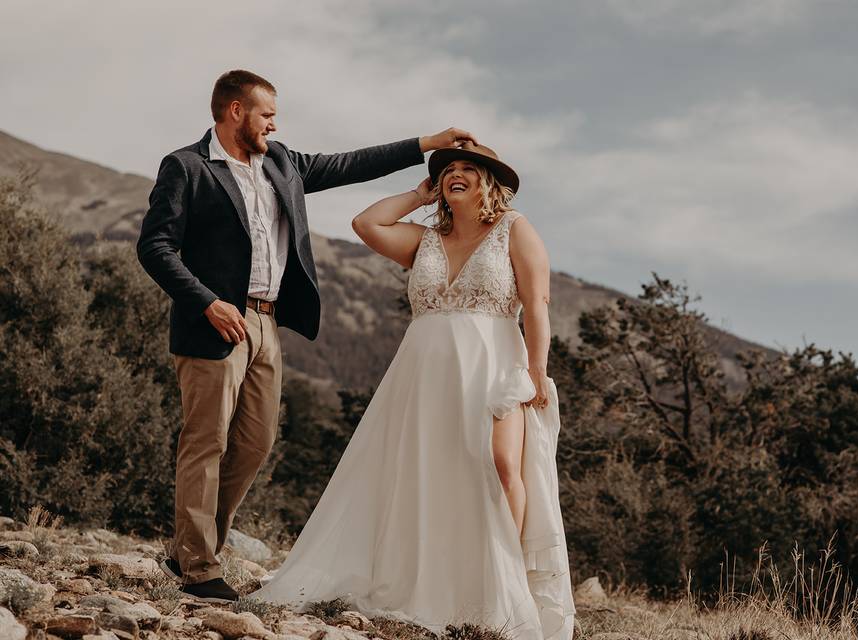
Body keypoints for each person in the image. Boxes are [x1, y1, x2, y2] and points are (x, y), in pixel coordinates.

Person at [136, 68, 477, 603]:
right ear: (235, 113)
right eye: (267, 114)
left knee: (255, 442)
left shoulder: (282, 163)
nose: (275, 123)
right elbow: (155, 247)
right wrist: (206, 302)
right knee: (206, 442)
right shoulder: (187, 167)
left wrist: (426, 144)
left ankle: (188, 549)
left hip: (268, 324)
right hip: (215, 323)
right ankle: (199, 568)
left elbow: (350, 164)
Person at [248, 142, 576, 640]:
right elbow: (366, 224)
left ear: (490, 181)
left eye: (468, 168)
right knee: (428, 470)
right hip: (424, 368)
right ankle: (435, 579)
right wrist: (416, 193)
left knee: (501, 463)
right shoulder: (424, 239)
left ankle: (503, 583)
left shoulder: (515, 228)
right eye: (447, 171)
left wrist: (536, 371)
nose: (454, 175)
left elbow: (538, 306)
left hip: (494, 362)